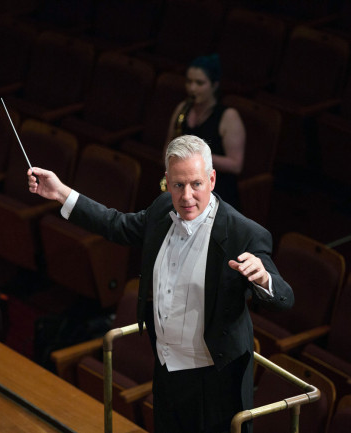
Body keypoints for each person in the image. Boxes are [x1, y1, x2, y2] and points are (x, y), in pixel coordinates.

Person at [28, 135, 293, 433]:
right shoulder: (161, 210)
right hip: (167, 370)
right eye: (178, 185)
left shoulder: (243, 232)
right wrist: (61, 192)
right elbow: (116, 224)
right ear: (167, 181)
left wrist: (263, 279)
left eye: (196, 184)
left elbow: (284, 298)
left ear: (212, 179)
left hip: (215, 382)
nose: (187, 197)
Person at [166, 54, 246, 210]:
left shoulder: (228, 116)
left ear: (214, 85)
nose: (192, 88)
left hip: (217, 194)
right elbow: (169, 145)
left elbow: (236, 164)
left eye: (199, 83)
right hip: (185, 187)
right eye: (189, 82)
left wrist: (195, 157)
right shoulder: (183, 109)